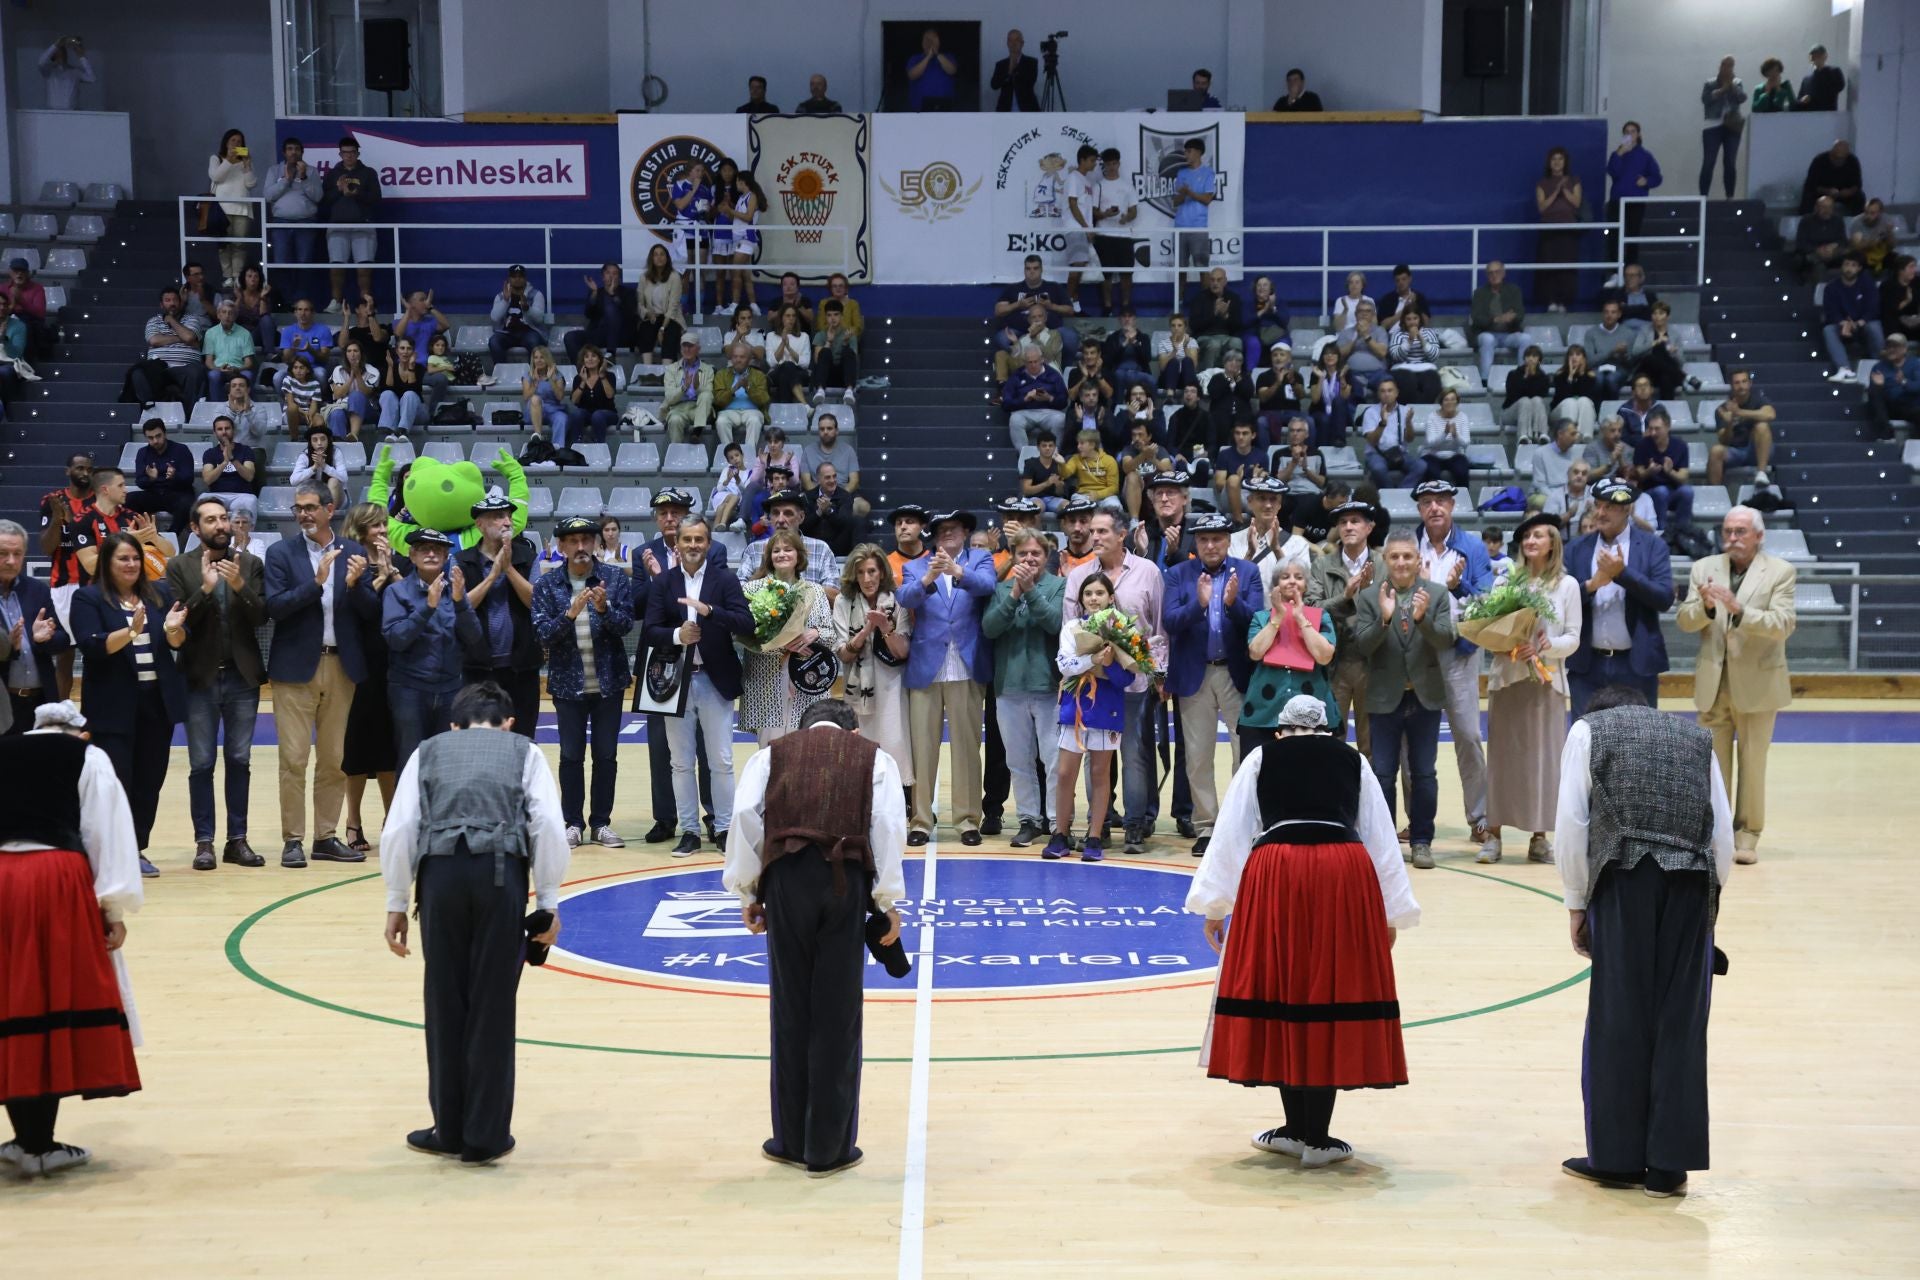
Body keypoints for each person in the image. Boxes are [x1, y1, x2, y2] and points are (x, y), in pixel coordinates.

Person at [1189, 694, 1418, 1169]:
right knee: (1328, 993)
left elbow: (1232, 831)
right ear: (1330, 729)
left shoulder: (1261, 758)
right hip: (1342, 874)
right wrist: (1391, 914)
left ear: (1280, 730)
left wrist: (1215, 905)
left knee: (1282, 991)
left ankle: (1295, 1130)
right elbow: (1379, 837)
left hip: (1277, 872)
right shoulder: (1353, 761)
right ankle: (1317, 1137)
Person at [379, 680, 569, 1167]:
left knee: (444, 1002)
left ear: (454, 725)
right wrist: (548, 900)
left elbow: (400, 829)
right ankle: (485, 1135)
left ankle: (449, 1128)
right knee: (492, 1004)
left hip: (440, 880)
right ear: (509, 723)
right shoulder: (525, 752)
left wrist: (396, 899)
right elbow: (547, 825)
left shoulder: (427, 751)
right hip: (499, 880)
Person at [1555, 684, 1733, 1199]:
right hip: (1692, 880)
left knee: (1619, 1017)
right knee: (1681, 1021)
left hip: (1624, 879)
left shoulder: (1588, 730)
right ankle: (1668, 1167)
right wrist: (1709, 903)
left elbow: (1572, 823)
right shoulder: (1696, 739)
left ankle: (1617, 1159)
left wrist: (1576, 902)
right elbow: (1721, 832)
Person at [724, 697, 906, 1177]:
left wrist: (749, 891)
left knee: (791, 1007)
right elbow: (887, 826)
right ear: (851, 731)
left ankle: (789, 1141)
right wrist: (886, 901)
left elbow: (744, 816)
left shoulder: (772, 754)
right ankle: (828, 1149)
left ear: (805, 728)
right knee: (837, 1013)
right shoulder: (874, 758)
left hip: (786, 881)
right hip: (845, 881)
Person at [0, 699, 142, 1179]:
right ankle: (39, 1145)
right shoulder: (88, 758)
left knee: (12, 1000)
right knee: (51, 999)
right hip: (53, 881)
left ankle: (26, 1139)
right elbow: (104, 834)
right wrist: (112, 909)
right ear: (80, 733)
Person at [264, 482, 379, 868]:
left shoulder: (354, 553)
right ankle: (293, 839)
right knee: (294, 759)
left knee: (333, 759)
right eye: (298, 508)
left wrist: (355, 586)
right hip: (295, 668)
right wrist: (315, 584)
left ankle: (326, 836)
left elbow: (370, 613)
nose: (303, 515)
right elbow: (275, 607)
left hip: (341, 665)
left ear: (330, 510)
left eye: (311, 507)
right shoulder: (281, 554)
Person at [1675, 506, 1796, 865]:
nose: (1732, 538)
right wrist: (1707, 608)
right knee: (1712, 765)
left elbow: (1783, 623)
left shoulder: (1781, 572)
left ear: (1759, 535)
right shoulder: (1704, 568)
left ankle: (1747, 835)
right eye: (1727, 531)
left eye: (1740, 531)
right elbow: (1685, 621)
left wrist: (1739, 609)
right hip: (1713, 682)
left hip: (1759, 682)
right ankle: (1716, 834)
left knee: (1753, 763)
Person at [71, 532, 187, 877]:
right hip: (112, 706)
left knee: (149, 781)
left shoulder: (159, 594)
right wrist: (131, 632)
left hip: (156, 704)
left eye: (136, 558)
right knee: (115, 782)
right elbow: (92, 646)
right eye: (123, 558)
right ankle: (108, 853)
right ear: (107, 562)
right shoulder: (88, 598)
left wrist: (173, 630)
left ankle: (135, 849)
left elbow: (179, 642)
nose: (132, 564)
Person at [165, 496, 267, 871]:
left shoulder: (250, 564)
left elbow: (262, 617)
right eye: (211, 520)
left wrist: (239, 585)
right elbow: (178, 621)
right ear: (195, 528)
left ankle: (237, 840)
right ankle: (204, 842)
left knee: (239, 760)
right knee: (201, 764)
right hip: (199, 676)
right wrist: (205, 590)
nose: (221, 525)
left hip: (242, 676)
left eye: (224, 518)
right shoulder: (179, 566)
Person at [642, 516, 755, 856]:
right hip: (674, 681)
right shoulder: (663, 582)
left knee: (721, 760)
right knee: (680, 762)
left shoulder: (725, 579)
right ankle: (689, 830)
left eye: (699, 539)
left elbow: (745, 622)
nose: (693, 545)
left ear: (708, 544)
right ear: (677, 544)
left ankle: (724, 828)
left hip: (714, 679)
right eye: (687, 539)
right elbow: (650, 630)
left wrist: (709, 611)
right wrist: (678, 635)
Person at [1064, 509, 1169, 855]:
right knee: (1095, 757)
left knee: (1135, 754)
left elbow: (1158, 628)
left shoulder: (1148, 571)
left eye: (1102, 531)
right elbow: (1071, 629)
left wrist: (1158, 673)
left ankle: (1136, 825)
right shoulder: (1079, 576)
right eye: (1092, 531)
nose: (1094, 537)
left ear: (1122, 535)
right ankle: (1101, 825)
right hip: (1094, 685)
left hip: (1135, 682)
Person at [1351, 527, 1457, 869]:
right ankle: (1384, 844)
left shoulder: (1436, 594)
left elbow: (1446, 640)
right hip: (1383, 697)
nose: (1400, 562)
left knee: (1424, 773)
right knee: (1383, 773)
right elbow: (1362, 646)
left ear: (1417, 559)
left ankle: (1422, 841)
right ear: (1385, 559)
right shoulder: (1370, 596)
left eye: (1407, 556)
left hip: (1425, 697)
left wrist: (1423, 620)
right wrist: (1384, 619)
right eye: (1394, 556)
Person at [1480, 512, 1582, 865]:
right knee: (1502, 760)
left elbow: (1573, 637)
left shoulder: (1567, 586)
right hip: (1507, 680)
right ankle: (1493, 836)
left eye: (1538, 535)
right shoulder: (1506, 581)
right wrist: (1508, 642)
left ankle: (1539, 837)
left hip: (1546, 683)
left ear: (1553, 542)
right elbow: (1489, 626)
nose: (1530, 541)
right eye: (1526, 536)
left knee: (1544, 761)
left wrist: (1546, 647)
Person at [530, 516, 638, 850]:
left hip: (609, 684)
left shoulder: (614, 578)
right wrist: (569, 615)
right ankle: (573, 823)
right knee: (570, 756)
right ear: (561, 546)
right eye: (572, 541)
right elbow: (542, 634)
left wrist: (604, 610)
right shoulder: (547, 585)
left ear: (595, 544)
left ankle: (601, 823)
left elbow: (626, 626)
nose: (580, 547)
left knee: (606, 756)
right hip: (567, 686)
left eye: (586, 540)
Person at [1163, 513, 1262, 854]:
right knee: (1197, 756)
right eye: (1203, 539)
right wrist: (1199, 604)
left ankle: (1241, 824)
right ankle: (1206, 826)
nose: (1210, 545)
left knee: (1244, 753)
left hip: (1237, 673)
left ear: (1228, 541)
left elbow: (1258, 621)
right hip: (1195, 674)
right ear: (1195, 543)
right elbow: (1170, 622)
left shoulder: (1247, 572)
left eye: (1217, 538)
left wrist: (1233, 604)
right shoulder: (1178, 574)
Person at [895, 510, 995, 846]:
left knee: (967, 748)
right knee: (923, 750)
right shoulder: (917, 566)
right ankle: (921, 821)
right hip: (927, 668)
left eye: (953, 529)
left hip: (967, 665)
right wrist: (928, 578)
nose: (947, 534)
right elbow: (904, 597)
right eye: (941, 530)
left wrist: (957, 572)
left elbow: (987, 586)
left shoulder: (979, 559)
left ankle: (967, 820)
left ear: (965, 532)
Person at [981, 529, 1064, 848]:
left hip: (1048, 686)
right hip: (1009, 687)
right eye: (1023, 553)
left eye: (1036, 553)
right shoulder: (1001, 589)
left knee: (1053, 759)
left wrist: (1030, 592)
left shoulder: (1059, 586)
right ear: (1013, 556)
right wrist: (1015, 594)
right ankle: (1029, 819)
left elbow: (1055, 623)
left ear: (1046, 556)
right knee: (1018, 760)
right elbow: (989, 628)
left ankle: (1057, 820)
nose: (1029, 559)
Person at [1564, 478, 1673, 715]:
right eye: (1597, 505)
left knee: (1637, 734)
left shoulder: (1652, 546)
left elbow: (1664, 599)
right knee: (1586, 733)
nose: (1600, 512)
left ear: (1627, 509)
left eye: (1609, 507)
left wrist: (1622, 574)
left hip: (1636, 664)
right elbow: (1562, 602)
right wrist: (1591, 586)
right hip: (1587, 665)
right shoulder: (1576, 548)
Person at [381, 529, 481, 771]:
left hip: (449, 690)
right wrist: (427, 608)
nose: (431, 554)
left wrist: (460, 603)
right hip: (409, 690)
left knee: (447, 763)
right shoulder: (397, 591)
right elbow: (396, 639)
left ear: (446, 558)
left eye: (438, 550)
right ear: (412, 556)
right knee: (411, 761)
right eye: (424, 549)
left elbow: (474, 637)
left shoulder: (455, 591)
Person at [336, 503, 401, 854]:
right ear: (360, 530)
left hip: (394, 665)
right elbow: (363, 609)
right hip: (359, 665)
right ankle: (353, 821)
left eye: (383, 524)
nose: (382, 530)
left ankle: (392, 820)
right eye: (375, 525)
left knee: (389, 748)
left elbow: (411, 601)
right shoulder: (352, 564)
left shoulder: (400, 561)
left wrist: (393, 572)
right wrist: (379, 576)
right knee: (356, 749)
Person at [740, 532, 836, 746]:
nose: (782, 554)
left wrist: (815, 633)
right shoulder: (752, 590)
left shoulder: (816, 591)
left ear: (798, 555)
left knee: (807, 746)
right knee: (770, 749)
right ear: (769, 557)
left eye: (788, 549)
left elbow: (831, 635)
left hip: (808, 678)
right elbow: (745, 634)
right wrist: (783, 645)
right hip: (766, 679)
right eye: (776, 551)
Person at [833, 545, 913, 798]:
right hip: (857, 688)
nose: (867, 578)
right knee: (861, 747)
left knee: (895, 742)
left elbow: (902, 652)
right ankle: (861, 802)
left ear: (882, 573)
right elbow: (843, 653)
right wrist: (867, 629)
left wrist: (885, 628)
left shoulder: (898, 601)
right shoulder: (843, 602)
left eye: (872, 571)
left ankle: (899, 801)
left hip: (892, 684)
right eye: (860, 573)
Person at [1306, 499, 1383, 753]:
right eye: (1343, 522)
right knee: (1330, 741)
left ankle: (1369, 782)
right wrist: (1345, 597)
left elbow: (1391, 612)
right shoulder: (1322, 565)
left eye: (1355, 521)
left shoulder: (1384, 565)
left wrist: (1367, 594)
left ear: (1369, 527)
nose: (1348, 526)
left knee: (1371, 743)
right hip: (1334, 663)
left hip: (1373, 662)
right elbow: (1311, 611)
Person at [0, 519, 69, 731]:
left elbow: (63, 640)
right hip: (3, 705)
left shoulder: (37, 590)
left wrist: (42, 639)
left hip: (41, 702)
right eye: (3, 553)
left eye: (17, 553)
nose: (11, 561)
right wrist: (9, 647)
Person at [321, 136, 381, 315]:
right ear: (340, 154)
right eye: (345, 153)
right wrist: (339, 190)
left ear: (357, 154)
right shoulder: (332, 174)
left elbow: (376, 199)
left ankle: (365, 303)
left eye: (352, 152)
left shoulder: (369, 173)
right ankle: (336, 302)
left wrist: (355, 194)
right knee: (336, 267)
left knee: (364, 268)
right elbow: (324, 201)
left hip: (363, 226)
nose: (348, 156)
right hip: (337, 226)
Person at [129, 286, 208, 408]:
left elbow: (188, 337)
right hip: (159, 367)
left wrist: (171, 320)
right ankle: (151, 410)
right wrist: (181, 338)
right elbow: (154, 340)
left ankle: (189, 414)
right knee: (139, 373)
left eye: (175, 300)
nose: (172, 303)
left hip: (186, 367)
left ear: (180, 303)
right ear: (161, 305)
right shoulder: (154, 321)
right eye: (167, 300)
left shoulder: (192, 319)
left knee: (195, 372)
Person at [264, 139, 325, 290]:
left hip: (306, 222)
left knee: (304, 263)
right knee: (281, 263)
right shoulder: (274, 170)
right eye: (290, 149)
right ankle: (286, 299)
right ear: (284, 152)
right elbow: (268, 196)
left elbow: (318, 197)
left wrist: (304, 177)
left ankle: (301, 299)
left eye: (297, 149)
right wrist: (286, 180)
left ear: (302, 152)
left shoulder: (311, 171)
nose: (293, 152)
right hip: (280, 223)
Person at [1631, 408, 1694, 545]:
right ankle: (1662, 534)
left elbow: (1684, 476)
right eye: (1651, 429)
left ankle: (1683, 534)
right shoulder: (1642, 445)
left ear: (1668, 427)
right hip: (1650, 492)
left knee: (1687, 492)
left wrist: (1670, 472)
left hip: (1674, 490)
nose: (1653, 433)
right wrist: (1649, 471)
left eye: (1657, 429)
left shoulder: (1680, 445)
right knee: (1661, 491)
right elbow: (1638, 475)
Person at [125, 417, 198, 535]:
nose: (155, 441)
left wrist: (175, 476)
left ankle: (171, 535)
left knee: (187, 505)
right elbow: (140, 482)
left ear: (165, 433)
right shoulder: (143, 453)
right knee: (128, 499)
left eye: (158, 436)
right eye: (150, 438)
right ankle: (139, 534)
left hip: (177, 493)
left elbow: (189, 479)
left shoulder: (181, 450)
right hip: (154, 493)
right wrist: (151, 479)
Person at [1822, 252, 1884, 383]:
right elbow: (1831, 312)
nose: (1849, 268)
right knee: (1828, 330)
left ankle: (1881, 366)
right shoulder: (1831, 287)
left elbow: (1873, 309)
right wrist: (1843, 323)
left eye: (1853, 265)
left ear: (1859, 268)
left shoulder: (1868, 285)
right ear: (1842, 266)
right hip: (1842, 325)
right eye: (1846, 264)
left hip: (1863, 323)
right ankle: (1845, 369)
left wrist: (1859, 322)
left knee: (1874, 326)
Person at [208, 130, 259, 289]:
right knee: (224, 244)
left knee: (240, 244)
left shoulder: (245, 161)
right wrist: (228, 160)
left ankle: (238, 276)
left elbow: (251, 184)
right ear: (226, 142)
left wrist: (247, 165)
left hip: (242, 208)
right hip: (221, 209)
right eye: (233, 140)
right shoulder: (216, 158)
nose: (236, 144)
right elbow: (216, 177)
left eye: (239, 141)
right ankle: (227, 276)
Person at [1606, 123, 1663, 263]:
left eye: (1632, 131)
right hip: (1617, 201)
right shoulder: (1617, 154)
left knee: (1633, 236)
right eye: (1626, 132)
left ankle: (1631, 267)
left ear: (1638, 135)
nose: (1630, 134)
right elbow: (1612, 171)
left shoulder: (1645, 156)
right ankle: (1614, 269)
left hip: (1636, 201)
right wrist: (1620, 153)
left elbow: (1657, 177)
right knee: (1614, 236)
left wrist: (1646, 181)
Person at [1537, 149, 1583, 313]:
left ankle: (1564, 301)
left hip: (1568, 229)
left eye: (1560, 159)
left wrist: (1564, 190)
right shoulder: (1543, 183)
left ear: (1565, 162)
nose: (1557, 162)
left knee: (1566, 265)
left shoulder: (1574, 181)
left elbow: (1576, 203)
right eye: (1554, 159)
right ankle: (1551, 300)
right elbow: (1542, 207)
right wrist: (1556, 191)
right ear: (1549, 163)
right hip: (1548, 229)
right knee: (1549, 264)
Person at [1471, 261, 1528, 389]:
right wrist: (1496, 319)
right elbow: (1476, 318)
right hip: (1486, 333)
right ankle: (1485, 380)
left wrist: (1512, 317)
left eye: (1497, 272)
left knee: (1526, 338)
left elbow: (1520, 314)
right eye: (1490, 273)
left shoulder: (1514, 290)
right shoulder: (1479, 293)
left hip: (1509, 334)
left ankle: (1522, 377)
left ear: (1503, 273)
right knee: (1487, 339)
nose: (1494, 275)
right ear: (1487, 276)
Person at [1172, 139, 1217, 296]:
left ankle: (1206, 304)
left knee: (1202, 269)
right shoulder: (1181, 173)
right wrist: (1182, 194)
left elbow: (1207, 199)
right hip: (1180, 227)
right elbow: (1175, 202)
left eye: (1189, 151)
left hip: (1198, 227)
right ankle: (1178, 303)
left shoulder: (1208, 173)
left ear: (1198, 152)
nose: (1186, 154)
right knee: (1179, 269)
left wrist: (1190, 192)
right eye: (1185, 151)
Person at [1698, 57, 1747, 200]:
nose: (1727, 68)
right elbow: (1705, 99)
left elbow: (1742, 98)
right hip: (1712, 126)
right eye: (1725, 65)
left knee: (1730, 162)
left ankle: (1730, 196)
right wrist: (1722, 90)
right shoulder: (1710, 83)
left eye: (1731, 65)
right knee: (1709, 162)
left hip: (1732, 126)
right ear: (1720, 66)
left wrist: (1732, 86)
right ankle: (1703, 197)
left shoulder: (1737, 82)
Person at [1360, 377, 1421, 489]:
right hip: (1376, 454)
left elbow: (1410, 439)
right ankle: (1389, 491)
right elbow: (1372, 441)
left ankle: (1402, 491)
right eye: (1383, 391)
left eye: (1390, 390)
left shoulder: (1405, 411)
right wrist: (1382, 423)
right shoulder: (1370, 412)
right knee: (1378, 468)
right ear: (1378, 394)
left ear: (1396, 393)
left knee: (1421, 466)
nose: (1386, 394)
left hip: (1399, 452)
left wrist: (1408, 423)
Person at [635, 244, 687, 361]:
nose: (659, 257)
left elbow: (673, 306)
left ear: (667, 258)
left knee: (670, 334)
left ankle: (667, 368)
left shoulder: (674, 277)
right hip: (652, 316)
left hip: (671, 317)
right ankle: (647, 367)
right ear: (651, 258)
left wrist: (662, 328)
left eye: (662, 254)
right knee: (645, 329)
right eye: (656, 255)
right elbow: (639, 302)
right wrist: (647, 313)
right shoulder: (644, 277)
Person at [659, 333, 714, 443]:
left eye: (690, 346)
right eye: (684, 346)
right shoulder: (671, 369)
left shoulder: (708, 369)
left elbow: (710, 394)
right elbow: (669, 398)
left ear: (698, 349)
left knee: (706, 394)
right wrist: (684, 387)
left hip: (698, 409)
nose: (687, 349)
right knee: (675, 420)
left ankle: (697, 431)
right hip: (677, 408)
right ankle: (676, 451)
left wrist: (697, 387)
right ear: (680, 348)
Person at [1866, 333, 1920, 440]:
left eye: (1895, 346)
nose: (1891, 350)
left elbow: (1918, 386)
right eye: (1888, 346)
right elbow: (1873, 393)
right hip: (1890, 407)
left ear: (1904, 349)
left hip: (1910, 406)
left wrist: (1904, 382)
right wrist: (1879, 386)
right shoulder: (1879, 367)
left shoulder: (1915, 364)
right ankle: (1886, 435)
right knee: (1875, 391)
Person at [202, 298, 257, 400]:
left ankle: (245, 407)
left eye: (231, 313)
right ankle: (216, 407)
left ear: (235, 316)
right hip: (218, 369)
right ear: (218, 315)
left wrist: (237, 369)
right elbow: (208, 362)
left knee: (248, 375)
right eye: (224, 312)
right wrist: (219, 369)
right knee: (214, 375)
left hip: (238, 369)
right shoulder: (210, 333)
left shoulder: (245, 333)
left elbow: (249, 362)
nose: (227, 315)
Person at [1418, 387, 1473, 489]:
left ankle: (1462, 496)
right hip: (1432, 454)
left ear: (1457, 402)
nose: (1449, 402)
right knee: (1432, 474)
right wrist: (1445, 433)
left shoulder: (1463, 417)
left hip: (1455, 454)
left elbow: (1466, 443)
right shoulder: (1432, 417)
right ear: (1441, 402)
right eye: (1446, 400)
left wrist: (1455, 435)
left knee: (1462, 472)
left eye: (1452, 399)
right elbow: (1430, 443)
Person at [1798, 140, 1864, 217]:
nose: (1839, 161)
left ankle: (1857, 221)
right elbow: (1811, 184)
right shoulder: (1819, 160)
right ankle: (1806, 220)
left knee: (1859, 197)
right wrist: (1827, 191)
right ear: (1831, 152)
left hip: (1844, 194)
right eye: (1836, 158)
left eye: (1842, 159)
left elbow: (1857, 184)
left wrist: (1849, 192)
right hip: (1822, 192)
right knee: (1808, 196)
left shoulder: (1853, 161)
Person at [1551, 344, 1601, 440]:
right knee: (1570, 402)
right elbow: (1562, 396)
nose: (1574, 357)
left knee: (1584, 400)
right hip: (1560, 411)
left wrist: (1582, 374)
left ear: (1584, 358)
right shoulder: (1560, 375)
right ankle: (1569, 434)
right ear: (1567, 358)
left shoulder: (1590, 376)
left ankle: (1584, 435)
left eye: (1578, 354)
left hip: (1584, 411)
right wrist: (1570, 376)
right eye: (1571, 355)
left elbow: (1589, 397)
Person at [905, 27, 958, 111]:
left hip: (945, 109)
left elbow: (952, 70)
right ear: (922, 43)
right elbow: (912, 75)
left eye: (933, 39)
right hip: (919, 111)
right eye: (927, 39)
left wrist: (937, 54)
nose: (930, 42)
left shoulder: (948, 56)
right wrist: (928, 57)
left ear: (939, 42)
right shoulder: (914, 58)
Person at [37, 35, 96, 109]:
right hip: (52, 112)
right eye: (59, 50)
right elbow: (41, 63)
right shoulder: (49, 71)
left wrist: (81, 56)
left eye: (64, 50)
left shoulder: (75, 72)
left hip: (71, 112)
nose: (62, 53)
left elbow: (92, 78)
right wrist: (57, 44)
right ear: (53, 55)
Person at [990, 28, 1039, 112]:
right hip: (1005, 110)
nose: (1014, 44)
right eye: (1010, 40)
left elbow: (1030, 82)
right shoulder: (1000, 64)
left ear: (1022, 43)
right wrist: (1009, 71)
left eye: (1017, 40)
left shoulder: (1031, 62)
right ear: (1007, 44)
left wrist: (1016, 66)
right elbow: (994, 85)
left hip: (1027, 109)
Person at [1532, 418, 1584, 495]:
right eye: (1572, 434)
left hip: (1568, 494)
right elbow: (1540, 486)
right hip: (1545, 494)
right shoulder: (1540, 453)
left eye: (1576, 434)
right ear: (1560, 434)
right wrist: (1558, 499)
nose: (1576, 438)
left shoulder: (1577, 453)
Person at [1797, 44, 1846, 111]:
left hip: (1827, 113)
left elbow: (1839, 86)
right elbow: (1799, 99)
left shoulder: (1834, 72)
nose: (1815, 58)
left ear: (1825, 56)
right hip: (1810, 115)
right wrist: (1802, 101)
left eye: (1818, 55)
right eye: (1813, 56)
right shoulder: (1806, 80)